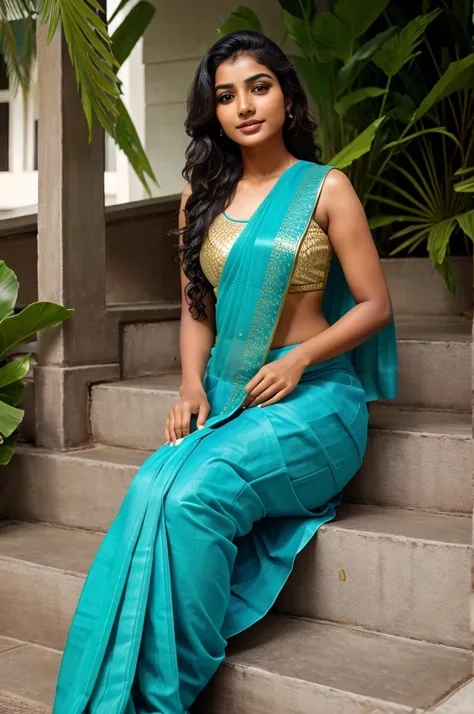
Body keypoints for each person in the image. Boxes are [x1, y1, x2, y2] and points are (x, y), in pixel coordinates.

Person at [52, 29, 397, 714]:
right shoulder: (200, 198)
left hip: (317, 401)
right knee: (153, 486)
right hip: (230, 391)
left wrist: (301, 357)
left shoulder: (326, 189)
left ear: (286, 95)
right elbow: (196, 311)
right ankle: (117, 685)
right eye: (226, 95)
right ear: (213, 112)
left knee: (193, 494)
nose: (244, 106)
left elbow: (376, 305)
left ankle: (161, 694)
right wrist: (189, 385)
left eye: (259, 87)